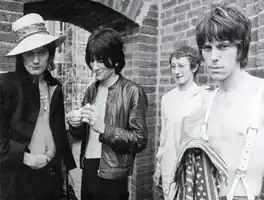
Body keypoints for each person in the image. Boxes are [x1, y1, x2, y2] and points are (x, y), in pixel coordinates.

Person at [0, 13, 76, 200]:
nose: (36, 60)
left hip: (50, 176)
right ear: (21, 56)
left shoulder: (55, 85)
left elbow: (58, 131)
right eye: (29, 53)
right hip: (18, 178)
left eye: (41, 52)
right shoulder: (6, 86)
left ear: (50, 54)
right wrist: (28, 159)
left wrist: (66, 169)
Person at [192, 3, 264, 200]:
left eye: (223, 46)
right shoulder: (205, 101)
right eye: (207, 48)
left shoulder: (261, 95)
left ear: (240, 49)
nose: (213, 57)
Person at [67, 27, 148, 200]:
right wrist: (76, 124)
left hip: (114, 173)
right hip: (88, 167)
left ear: (115, 58)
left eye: (100, 60)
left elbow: (140, 139)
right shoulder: (91, 90)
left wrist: (103, 128)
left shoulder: (132, 91)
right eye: (92, 60)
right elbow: (83, 134)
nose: (94, 66)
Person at [153, 45, 207, 200]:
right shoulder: (167, 99)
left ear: (194, 67)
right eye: (173, 66)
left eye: (181, 66)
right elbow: (164, 136)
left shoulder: (203, 97)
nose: (176, 71)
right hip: (169, 166)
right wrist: (159, 166)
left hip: (192, 169)